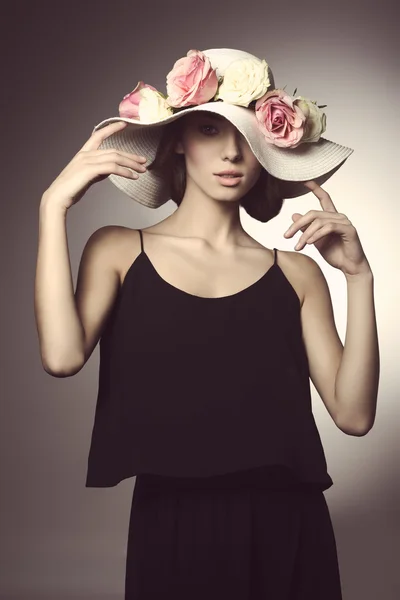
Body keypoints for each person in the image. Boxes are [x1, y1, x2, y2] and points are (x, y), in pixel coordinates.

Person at [35, 48, 376, 599]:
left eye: (247, 136)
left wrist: (359, 279)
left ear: (270, 147)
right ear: (177, 140)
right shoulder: (118, 250)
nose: (232, 153)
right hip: (170, 527)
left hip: (290, 528)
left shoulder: (297, 273)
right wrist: (52, 208)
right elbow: (61, 356)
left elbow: (355, 416)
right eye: (210, 129)